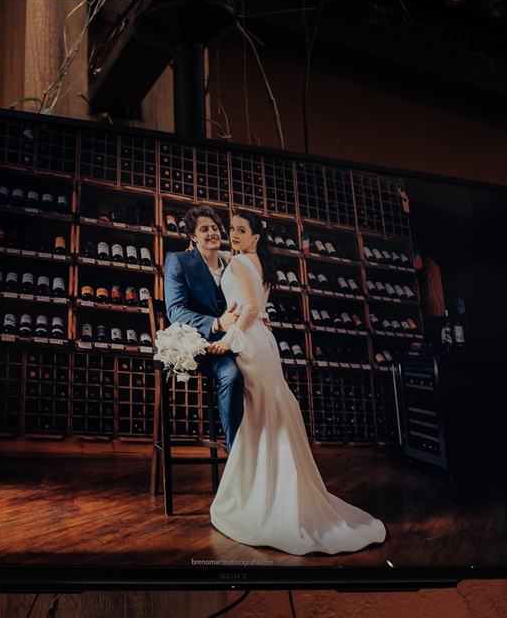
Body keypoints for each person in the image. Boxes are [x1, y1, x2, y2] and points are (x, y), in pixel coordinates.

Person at [204, 209, 385, 555]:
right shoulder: (259, 264)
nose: (234, 236)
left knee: (260, 418)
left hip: (250, 342)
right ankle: (278, 492)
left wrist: (229, 339)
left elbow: (252, 309)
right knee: (269, 414)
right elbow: (261, 308)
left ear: (256, 237)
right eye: (232, 230)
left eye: (241, 231)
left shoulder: (241, 263)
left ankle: (263, 500)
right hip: (264, 344)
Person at [163, 205, 245, 452]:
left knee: (267, 378)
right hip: (203, 346)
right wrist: (216, 323)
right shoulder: (179, 261)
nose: (212, 233)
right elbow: (175, 311)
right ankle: (237, 457)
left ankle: (263, 459)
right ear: (193, 236)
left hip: (237, 341)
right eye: (204, 229)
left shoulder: (233, 262)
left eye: (214, 227)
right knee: (232, 376)